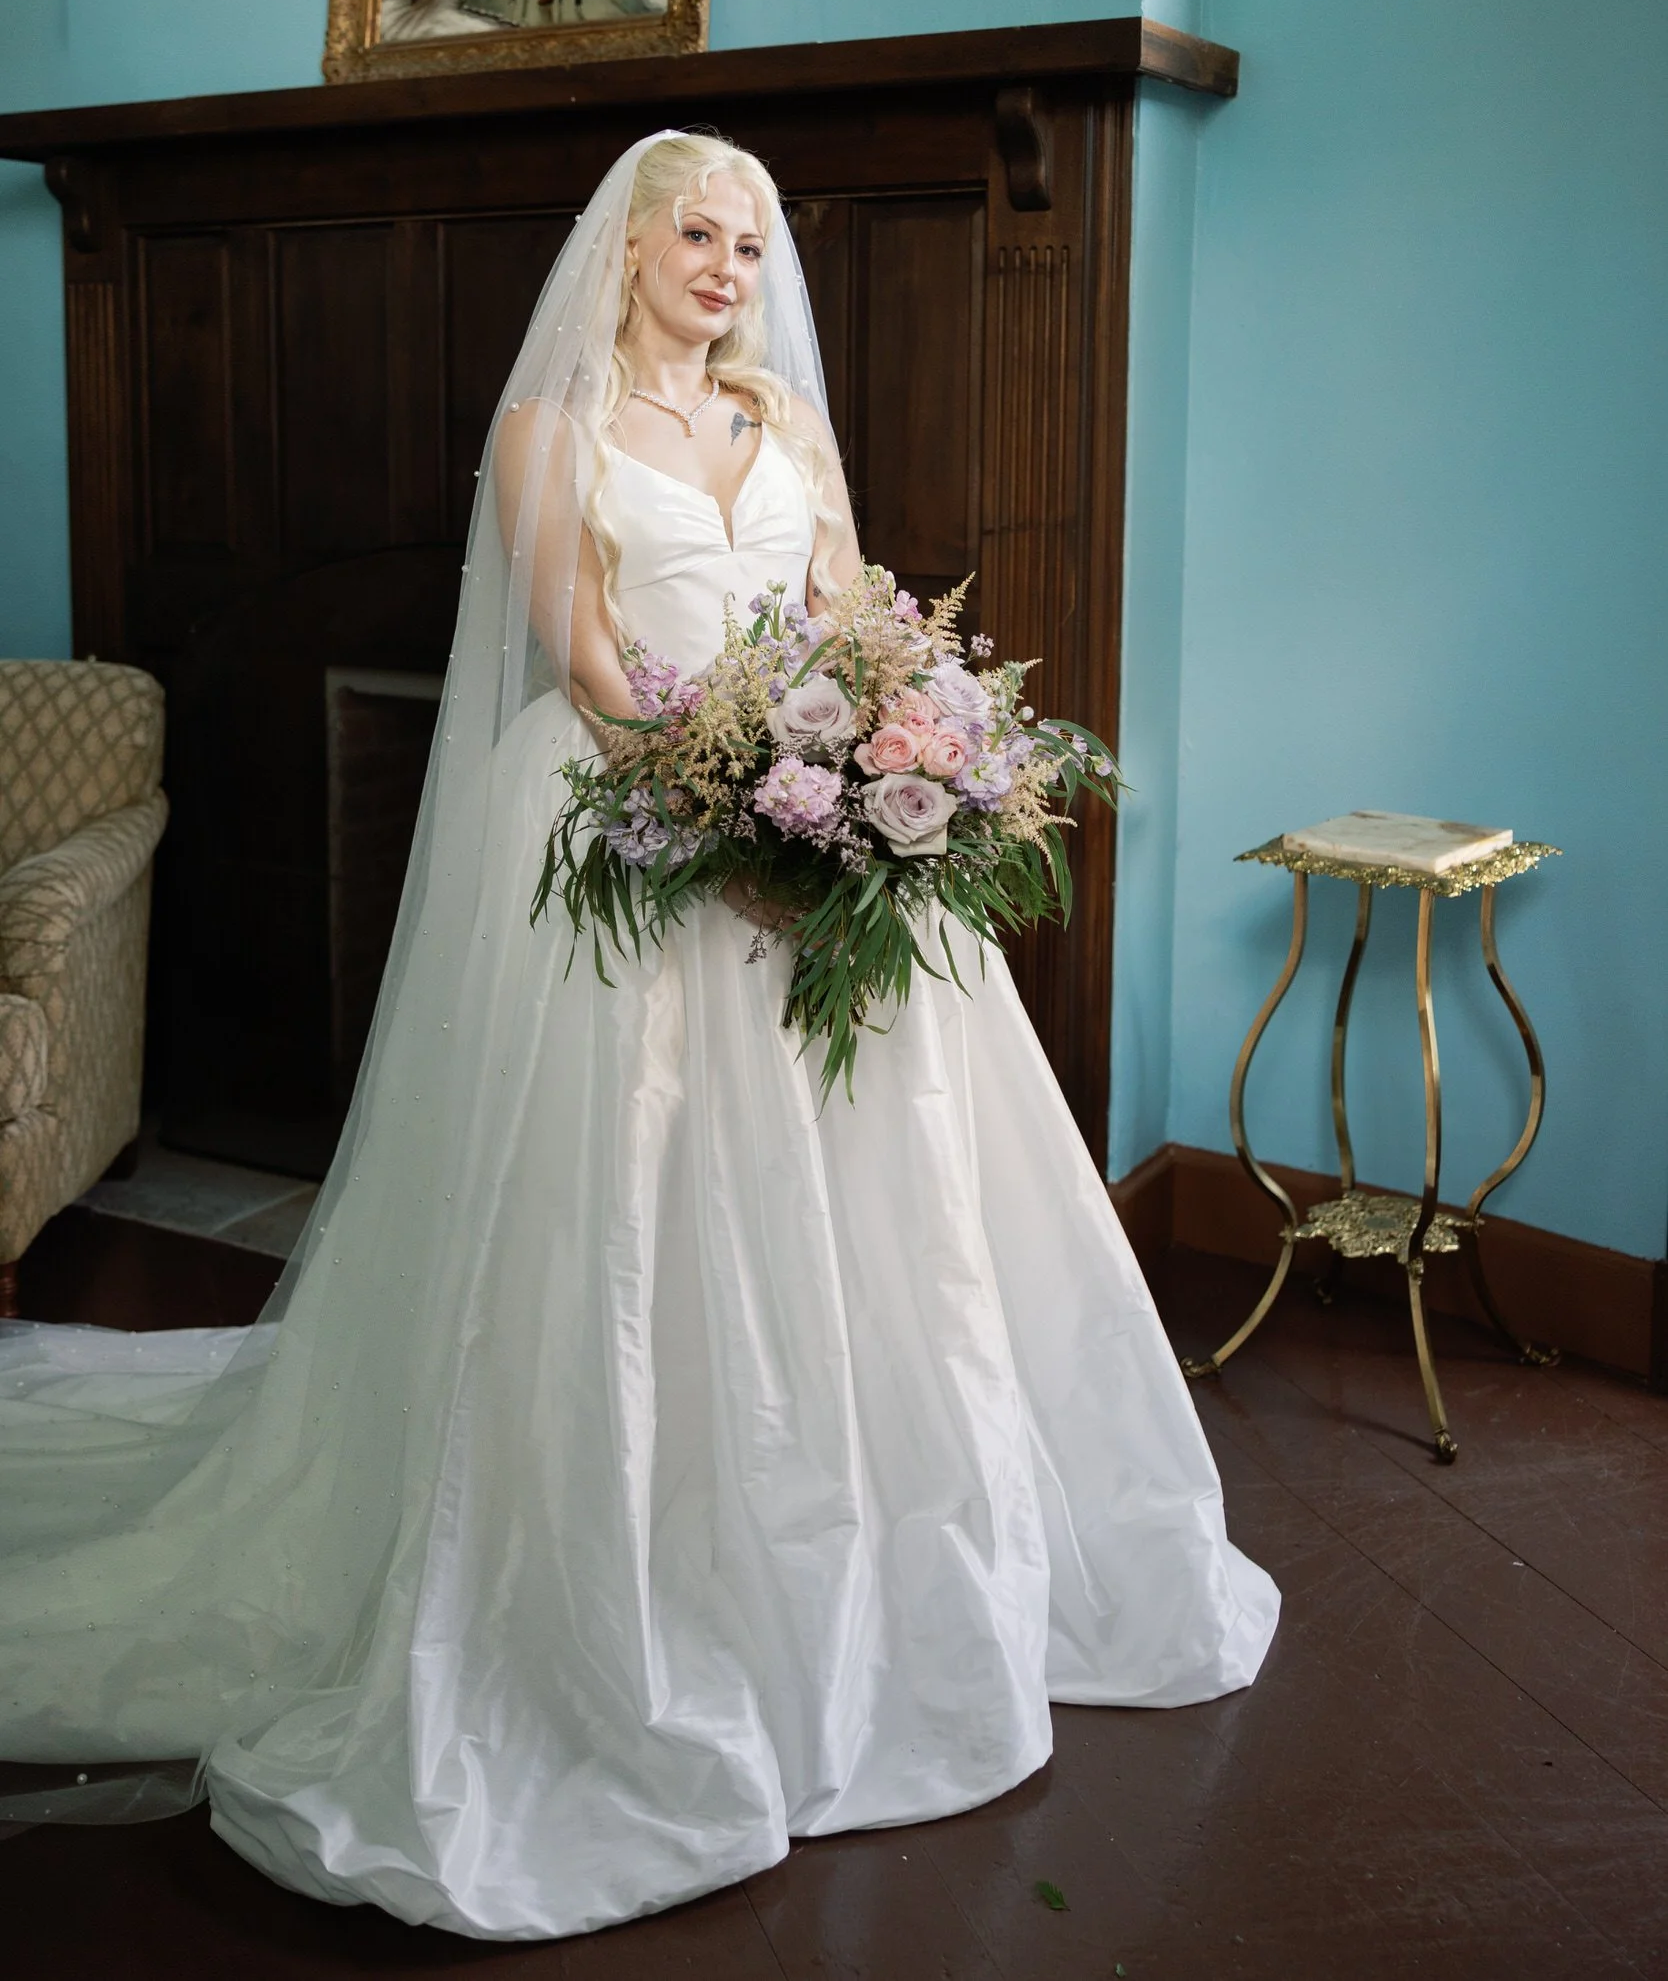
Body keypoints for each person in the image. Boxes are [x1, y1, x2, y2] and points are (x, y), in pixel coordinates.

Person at [0, 132, 1277, 1942]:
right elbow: (591, 664)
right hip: (632, 828)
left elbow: (848, 616)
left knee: (878, 1207)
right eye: (699, 234)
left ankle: (862, 1559)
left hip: (811, 828)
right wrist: (728, 823)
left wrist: (880, 769)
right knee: (624, 1199)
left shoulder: (785, 420)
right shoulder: (552, 432)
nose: (728, 267)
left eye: (751, 245)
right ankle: (622, 1564)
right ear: (626, 247)